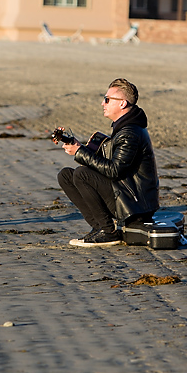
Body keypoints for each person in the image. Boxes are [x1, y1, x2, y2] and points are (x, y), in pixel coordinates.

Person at [54, 78, 160, 247]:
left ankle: (108, 231)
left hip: (136, 205)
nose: (102, 103)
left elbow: (114, 171)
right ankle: (99, 228)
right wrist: (80, 148)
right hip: (126, 193)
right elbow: (110, 163)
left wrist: (80, 152)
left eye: (107, 99)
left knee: (82, 175)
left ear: (122, 104)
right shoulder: (125, 127)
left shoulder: (130, 133)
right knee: (66, 175)